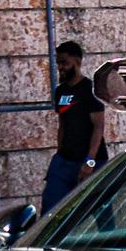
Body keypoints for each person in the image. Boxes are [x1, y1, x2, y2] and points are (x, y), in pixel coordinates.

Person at [42, 41, 104, 211]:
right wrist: (59, 152)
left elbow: (99, 126)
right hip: (64, 161)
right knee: (50, 210)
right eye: (58, 63)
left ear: (77, 62)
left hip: (90, 161)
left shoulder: (90, 89)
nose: (60, 67)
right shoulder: (60, 91)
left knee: (99, 212)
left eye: (64, 62)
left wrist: (90, 161)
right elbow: (62, 123)